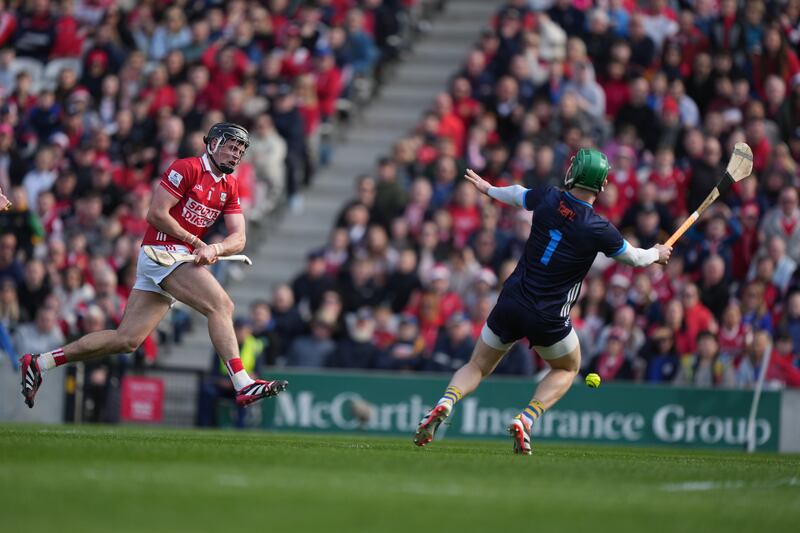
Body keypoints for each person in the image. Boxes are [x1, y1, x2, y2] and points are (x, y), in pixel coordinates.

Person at [414, 148, 671, 454]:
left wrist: (487, 189)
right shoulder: (598, 228)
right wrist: (658, 253)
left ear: (573, 173)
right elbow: (635, 258)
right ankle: (526, 418)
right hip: (548, 316)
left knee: (478, 366)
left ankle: (446, 402)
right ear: (602, 186)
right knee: (567, 367)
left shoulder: (549, 197)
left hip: (512, 301)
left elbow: (517, 195)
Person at [20, 123, 288, 409]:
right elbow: (156, 214)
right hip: (163, 252)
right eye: (231, 147)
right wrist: (196, 242)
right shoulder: (186, 168)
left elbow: (240, 237)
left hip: (180, 257)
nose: (235, 155)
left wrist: (217, 248)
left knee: (126, 340)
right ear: (212, 143)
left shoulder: (229, 185)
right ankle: (242, 383)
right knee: (221, 306)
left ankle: (41, 362)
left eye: (240, 151)